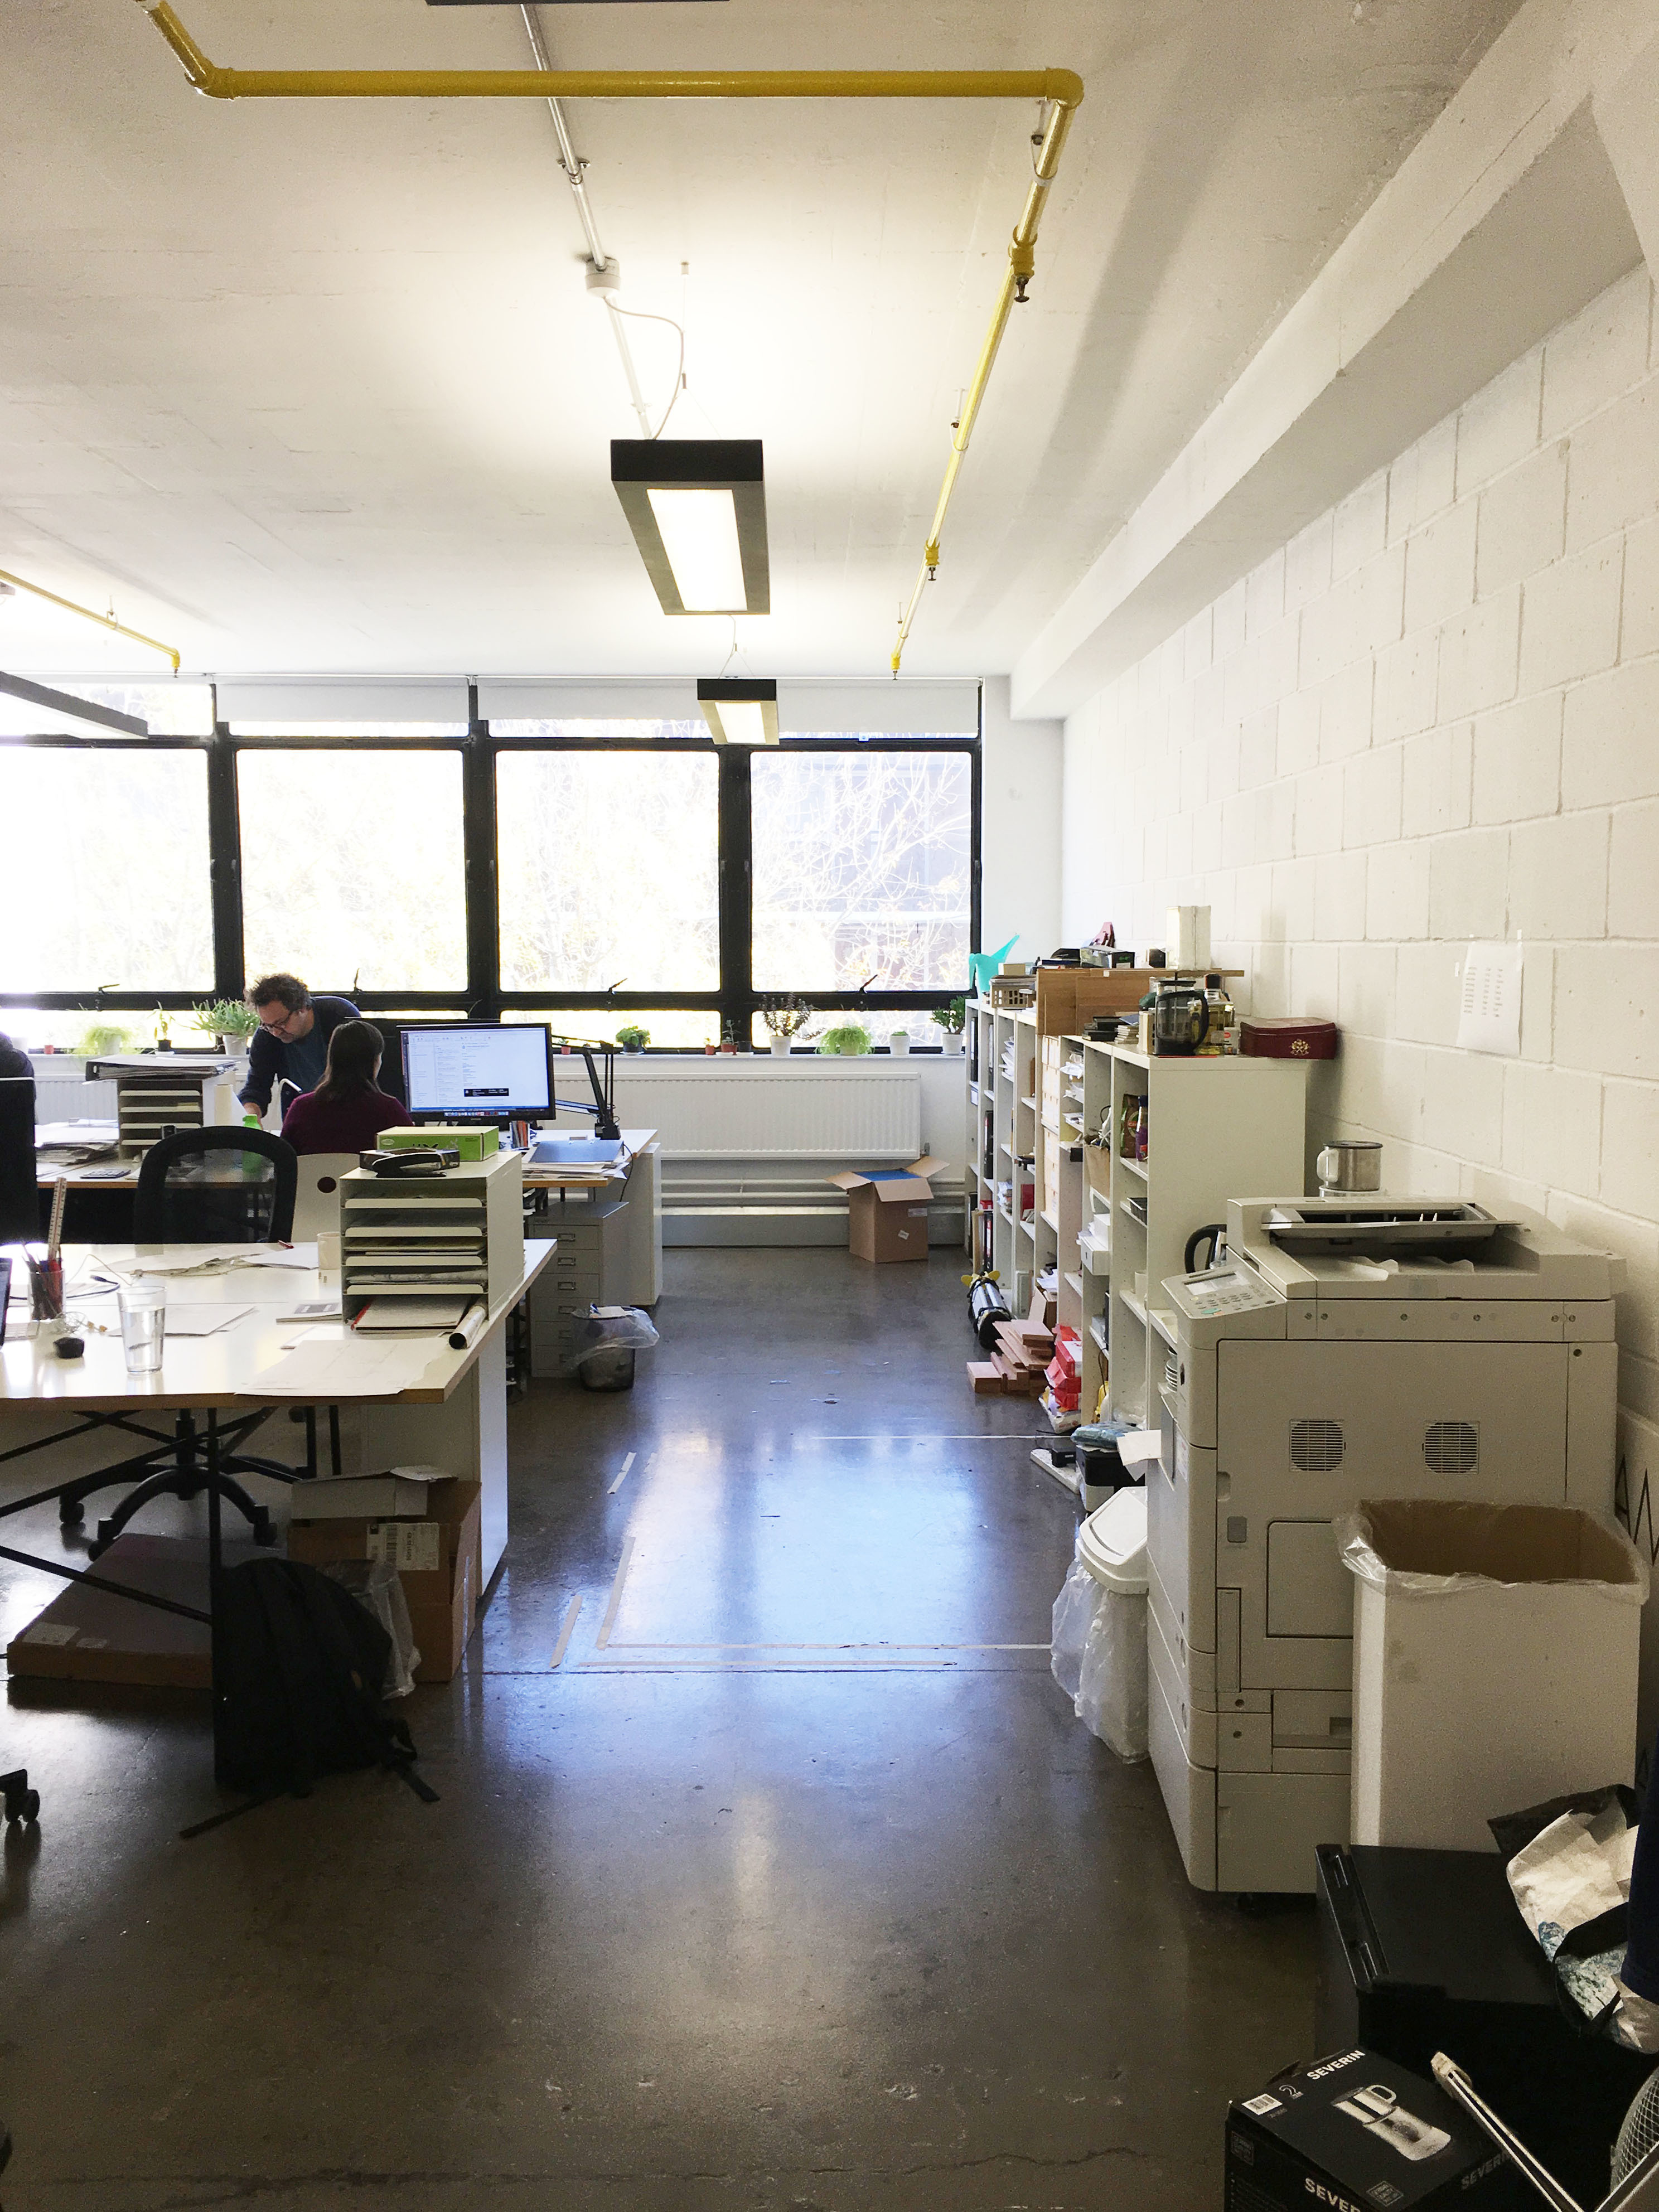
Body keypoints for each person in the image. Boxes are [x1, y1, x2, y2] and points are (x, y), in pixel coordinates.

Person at [279, 1020, 413, 1156]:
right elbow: (413, 1157)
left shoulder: (301, 1108)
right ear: (375, 1060)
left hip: (314, 1171)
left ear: (332, 1059)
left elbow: (282, 1159)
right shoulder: (390, 1110)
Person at [238, 975, 360, 1120]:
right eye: (268, 1025)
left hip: (348, 1115)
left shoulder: (339, 1016)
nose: (276, 1033)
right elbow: (256, 1086)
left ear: (302, 1008)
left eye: (281, 1023)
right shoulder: (266, 1035)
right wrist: (251, 1114)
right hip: (300, 1120)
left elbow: (358, 1080)